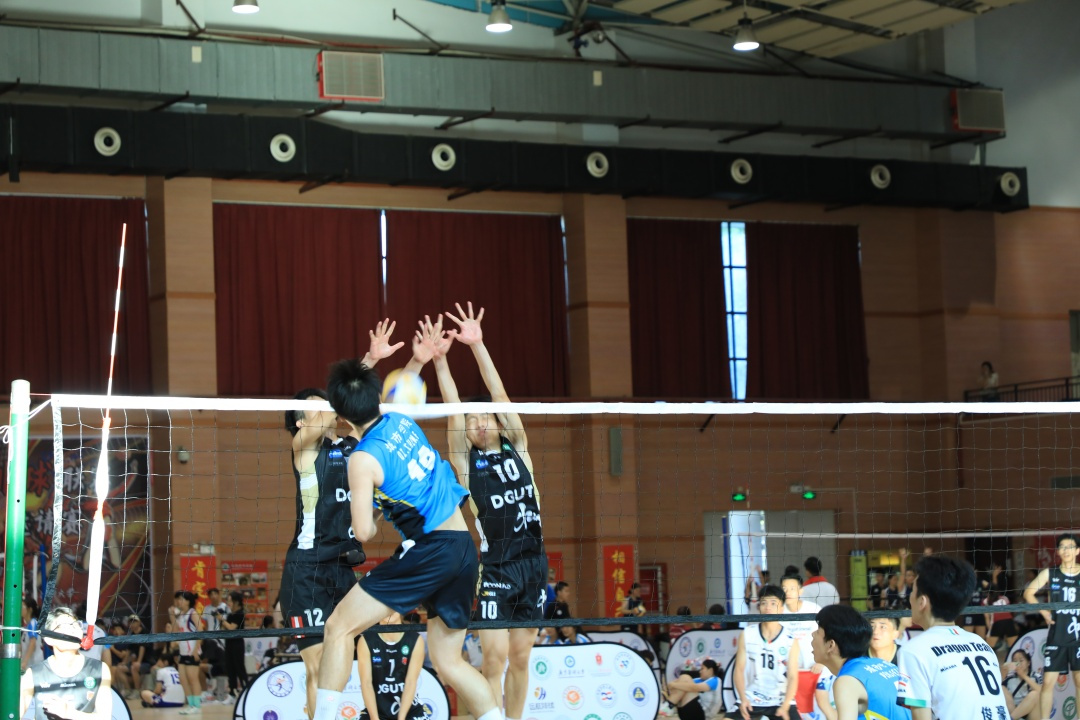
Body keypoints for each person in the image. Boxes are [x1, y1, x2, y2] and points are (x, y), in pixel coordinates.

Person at [312, 358, 502, 720]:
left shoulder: (362, 459)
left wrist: (365, 509)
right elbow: (404, 390)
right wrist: (416, 360)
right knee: (449, 663)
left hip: (431, 550)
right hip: (463, 547)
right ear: (377, 396)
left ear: (342, 415)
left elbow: (364, 532)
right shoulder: (401, 420)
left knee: (338, 627)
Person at [281, 317, 408, 720]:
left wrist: (371, 359)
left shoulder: (354, 446)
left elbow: (354, 403)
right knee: (318, 664)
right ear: (301, 422)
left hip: (343, 569)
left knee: (342, 661)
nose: (327, 409)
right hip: (306, 570)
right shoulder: (303, 450)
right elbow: (331, 410)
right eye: (316, 406)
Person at [428, 304, 549, 720]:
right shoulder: (466, 462)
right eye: (472, 419)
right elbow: (452, 407)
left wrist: (478, 345)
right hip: (496, 567)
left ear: (498, 422)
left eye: (485, 417)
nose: (478, 423)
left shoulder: (519, 446)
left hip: (534, 564)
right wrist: (441, 362)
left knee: (521, 658)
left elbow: (499, 395)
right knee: (493, 659)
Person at [896, 555, 1008, 720]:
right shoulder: (981, 644)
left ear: (922, 602)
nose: (909, 598)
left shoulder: (913, 651)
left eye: (912, 592)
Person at [810, 604, 910, 720]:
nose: (812, 634)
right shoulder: (879, 664)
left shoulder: (846, 681)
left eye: (818, 631)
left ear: (830, 645)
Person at [19, 606, 113, 720]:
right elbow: (14, 714)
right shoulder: (34, 674)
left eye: (75, 625)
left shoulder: (100, 669)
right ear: (48, 639)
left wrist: (69, 713)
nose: (72, 630)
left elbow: (105, 717)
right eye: (63, 626)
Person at [1023, 532, 1080, 720]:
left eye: (1070, 547)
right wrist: (1044, 612)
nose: (1066, 550)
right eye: (1062, 547)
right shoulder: (1051, 573)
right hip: (1057, 634)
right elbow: (1028, 593)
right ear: (1058, 551)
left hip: (1078, 635)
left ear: (1077, 551)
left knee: (1079, 682)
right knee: (1047, 682)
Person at [733, 585, 800, 720]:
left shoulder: (790, 639)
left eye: (773, 603)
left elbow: (793, 676)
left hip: (780, 700)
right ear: (759, 607)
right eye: (764, 603)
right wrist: (743, 699)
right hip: (752, 698)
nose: (768, 607)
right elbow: (739, 669)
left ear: (781, 608)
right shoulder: (747, 634)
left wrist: (785, 706)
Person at [356, 612, 427, 720]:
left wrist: (401, 718)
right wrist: (374, 718)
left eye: (392, 606)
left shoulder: (415, 639)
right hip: (377, 710)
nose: (389, 611)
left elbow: (411, 682)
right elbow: (366, 683)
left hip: (409, 709)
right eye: (384, 606)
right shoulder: (366, 640)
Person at [167, 590, 203, 714]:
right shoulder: (181, 615)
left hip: (192, 651)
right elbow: (175, 631)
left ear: (188, 601)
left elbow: (201, 631)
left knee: (193, 679)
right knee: (183, 679)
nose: (178, 601)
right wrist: (172, 616)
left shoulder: (193, 613)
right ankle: (191, 704)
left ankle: (197, 706)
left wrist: (196, 650)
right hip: (183, 652)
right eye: (177, 599)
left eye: (181, 599)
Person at [221, 591, 248, 700]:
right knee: (230, 668)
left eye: (229, 600)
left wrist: (221, 619)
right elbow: (225, 628)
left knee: (239, 668)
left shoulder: (240, 614)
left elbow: (232, 627)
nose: (228, 603)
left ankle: (246, 690)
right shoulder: (230, 614)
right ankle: (232, 693)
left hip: (237, 644)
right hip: (229, 643)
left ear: (236, 602)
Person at [1001, 649, 1041, 720]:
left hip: (1031, 713)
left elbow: (1042, 692)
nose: (1018, 663)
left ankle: (1011, 718)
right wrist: (1003, 674)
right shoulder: (1010, 677)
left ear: (1028, 663)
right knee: (1002, 688)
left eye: (1021, 660)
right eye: (1015, 661)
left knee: (1035, 694)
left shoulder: (1036, 676)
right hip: (1014, 709)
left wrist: (1023, 675)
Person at [985, 591, 1019, 661]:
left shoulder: (987, 600)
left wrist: (990, 630)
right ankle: (1016, 663)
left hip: (997, 622)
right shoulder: (1004, 598)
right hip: (1008, 621)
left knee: (989, 648)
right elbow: (1009, 612)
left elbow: (986, 617)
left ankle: (989, 662)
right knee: (1014, 647)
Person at [21, 597, 44, 674]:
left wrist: (25, 662)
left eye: (22, 606)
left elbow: (32, 643)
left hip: (34, 665)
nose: (20, 608)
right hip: (29, 665)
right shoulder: (27, 626)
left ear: (30, 609)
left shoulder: (33, 623)